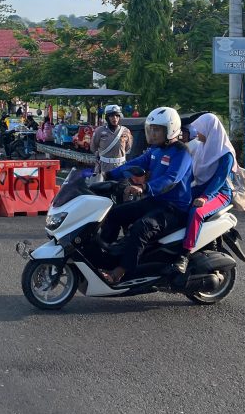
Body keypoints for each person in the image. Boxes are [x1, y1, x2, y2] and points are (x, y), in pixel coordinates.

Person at [100, 107, 193, 285]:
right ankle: (104, 256)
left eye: (157, 129)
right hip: (155, 201)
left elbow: (171, 179)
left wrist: (144, 187)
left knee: (141, 228)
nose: (153, 133)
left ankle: (122, 271)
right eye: (151, 129)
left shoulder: (182, 152)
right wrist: (109, 175)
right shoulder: (155, 150)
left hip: (174, 208)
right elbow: (135, 163)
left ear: (171, 129)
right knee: (115, 213)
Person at [173, 113, 236, 274]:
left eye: (199, 129)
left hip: (220, 192)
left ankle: (184, 254)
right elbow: (193, 174)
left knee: (197, 212)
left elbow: (220, 179)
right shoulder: (202, 147)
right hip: (201, 188)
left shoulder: (225, 153)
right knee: (175, 202)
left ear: (210, 130)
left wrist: (204, 197)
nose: (196, 132)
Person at [90, 104, 133, 176]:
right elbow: (93, 147)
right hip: (104, 166)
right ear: (107, 117)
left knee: (121, 186)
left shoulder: (126, 131)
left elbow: (128, 147)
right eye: (112, 116)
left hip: (120, 166)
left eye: (117, 116)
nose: (115, 118)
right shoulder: (99, 131)